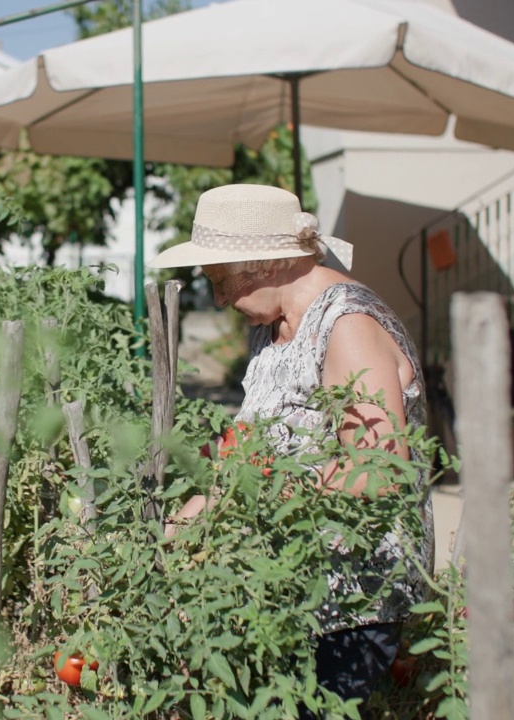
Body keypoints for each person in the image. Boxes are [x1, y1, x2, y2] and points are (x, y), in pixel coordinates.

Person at [149, 184, 434, 715]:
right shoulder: (273, 330)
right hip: (289, 586)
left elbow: (377, 470)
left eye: (221, 280)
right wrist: (175, 532)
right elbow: (248, 455)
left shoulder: (347, 324)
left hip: (355, 595)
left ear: (266, 263)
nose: (219, 300)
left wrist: (258, 502)